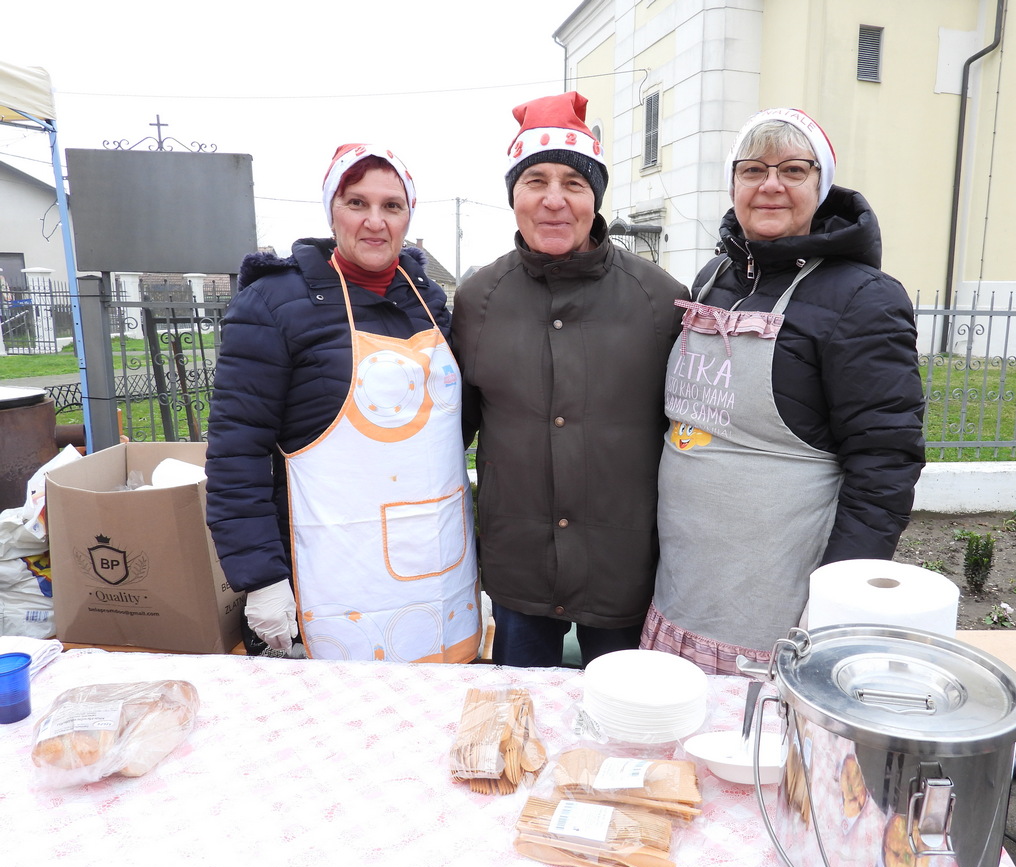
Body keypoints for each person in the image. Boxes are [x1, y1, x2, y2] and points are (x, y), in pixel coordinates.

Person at [641, 107, 926, 675]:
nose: (771, 185)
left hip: (778, 605)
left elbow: (884, 464)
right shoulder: (714, 279)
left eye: (793, 170)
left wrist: (835, 601)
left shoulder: (863, 298)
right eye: (753, 170)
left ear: (820, 187)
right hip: (684, 587)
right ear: (733, 185)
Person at [205, 144, 479, 662]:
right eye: (357, 203)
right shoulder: (271, 304)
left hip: (439, 570)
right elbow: (235, 454)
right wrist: (261, 576)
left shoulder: (427, 300)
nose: (375, 222)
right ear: (332, 210)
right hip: (334, 578)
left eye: (392, 206)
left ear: (408, 217)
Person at [451, 91, 688, 668]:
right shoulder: (479, 298)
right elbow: (453, 431)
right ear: (513, 197)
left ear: (596, 199)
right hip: (519, 570)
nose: (553, 200)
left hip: (623, 569)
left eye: (573, 184)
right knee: (517, 720)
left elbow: (692, 438)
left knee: (623, 728)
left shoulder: (660, 299)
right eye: (535, 181)